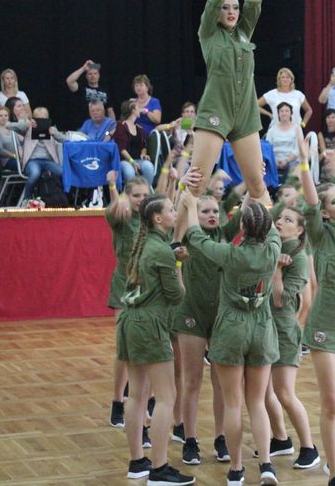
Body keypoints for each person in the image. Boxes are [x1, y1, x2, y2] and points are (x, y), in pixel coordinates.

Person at [179, 191, 282, 486]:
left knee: (233, 403)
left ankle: (236, 469)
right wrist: (257, 195)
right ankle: (266, 465)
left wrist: (190, 205)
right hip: (261, 330)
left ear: (243, 228)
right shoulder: (273, 250)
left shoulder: (230, 254)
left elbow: (195, 237)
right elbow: (269, 227)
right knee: (257, 402)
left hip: (231, 331)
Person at [188, 0, 282, 210]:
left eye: (235, 8)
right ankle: (179, 234)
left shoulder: (244, 32)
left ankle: (267, 233)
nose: (231, 12)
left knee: (258, 186)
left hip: (245, 114)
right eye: (225, 8)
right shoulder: (208, 32)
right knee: (197, 184)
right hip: (216, 110)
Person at [117, 193, 195, 485]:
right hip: (150, 325)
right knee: (166, 396)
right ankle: (160, 468)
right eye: (171, 210)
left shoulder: (145, 244)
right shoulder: (161, 250)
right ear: (158, 218)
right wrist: (178, 266)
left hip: (130, 321)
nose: (175, 213)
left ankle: (138, 461)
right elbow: (176, 295)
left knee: (137, 394)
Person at [296, 132, 335, 486]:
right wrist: (305, 163)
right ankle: (334, 474)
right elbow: (310, 200)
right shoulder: (321, 234)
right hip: (325, 326)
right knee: (332, 402)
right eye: (332, 200)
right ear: (326, 212)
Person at [173, 193, 240, 467]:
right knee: (192, 380)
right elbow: (179, 217)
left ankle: (221, 437)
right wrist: (187, 197)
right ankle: (190, 440)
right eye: (205, 211)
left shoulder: (225, 234)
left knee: (221, 382)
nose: (212, 215)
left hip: (221, 317)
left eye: (215, 211)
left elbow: (251, 202)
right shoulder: (189, 236)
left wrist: (254, 180)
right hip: (192, 314)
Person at [263, 204, 321, 469]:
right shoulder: (275, 248)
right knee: (264, 392)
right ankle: (280, 439)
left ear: (299, 230)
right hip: (266, 328)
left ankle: (309, 447)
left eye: (288, 219)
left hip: (284, 332)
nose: (280, 221)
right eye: (280, 217)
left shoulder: (297, 259)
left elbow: (280, 300)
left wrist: (277, 270)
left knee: (284, 393)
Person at [105, 171, 150, 429]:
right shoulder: (122, 216)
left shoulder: (152, 219)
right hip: (124, 287)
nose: (141, 200)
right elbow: (114, 211)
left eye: (145, 195)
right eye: (136, 195)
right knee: (124, 348)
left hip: (148, 289)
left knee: (147, 347)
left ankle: (144, 397)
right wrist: (114, 188)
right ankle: (117, 402)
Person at [17, 107, 66, 200]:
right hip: (32, 160)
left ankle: (62, 198)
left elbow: (66, 140)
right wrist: (26, 125)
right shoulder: (27, 129)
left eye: (44, 119)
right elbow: (10, 127)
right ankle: (26, 199)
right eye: (38, 119)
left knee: (63, 172)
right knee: (35, 173)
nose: (41, 121)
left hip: (48, 161)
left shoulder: (51, 129)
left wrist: (55, 134)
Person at [115, 99, 155, 186]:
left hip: (138, 159)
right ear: (133, 110)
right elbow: (121, 149)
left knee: (148, 166)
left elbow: (143, 145)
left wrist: (143, 153)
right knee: (129, 172)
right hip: (125, 160)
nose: (140, 110)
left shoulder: (139, 128)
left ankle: (146, 192)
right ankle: (130, 193)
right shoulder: (121, 126)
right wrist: (132, 161)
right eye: (138, 107)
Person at [264, 102, 300, 183]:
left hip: (291, 162)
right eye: (282, 111)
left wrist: (286, 161)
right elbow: (268, 148)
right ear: (278, 114)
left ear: (291, 114)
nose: (284, 113)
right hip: (274, 162)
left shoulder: (297, 129)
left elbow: (297, 150)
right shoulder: (271, 130)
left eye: (287, 111)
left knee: (292, 167)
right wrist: (275, 161)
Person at [0, 106, 27, 172]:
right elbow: (0, 151)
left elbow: (23, 141)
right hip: (5, 161)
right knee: (28, 166)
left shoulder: (11, 128)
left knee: (32, 163)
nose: (4, 117)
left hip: (18, 158)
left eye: (6, 115)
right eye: (0, 116)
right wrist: (15, 156)